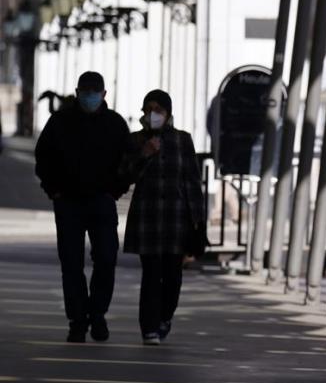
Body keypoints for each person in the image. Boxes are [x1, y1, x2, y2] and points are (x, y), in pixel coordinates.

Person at [34, 71, 131, 342]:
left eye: (94, 91)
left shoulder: (114, 124)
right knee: (71, 263)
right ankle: (78, 320)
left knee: (106, 259)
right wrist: (53, 190)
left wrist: (115, 190)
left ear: (104, 94)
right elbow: (43, 157)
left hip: (101, 200)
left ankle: (97, 314)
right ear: (77, 93)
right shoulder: (60, 122)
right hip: (69, 202)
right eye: (85, 91)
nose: (89, 96)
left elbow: (127, 162)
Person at [120, 89, 206, 345]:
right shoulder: (136, 141)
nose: (152, 114)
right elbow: (125, 175)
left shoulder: (183, 140)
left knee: (173, 277)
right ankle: (149, 327)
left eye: (158, 109)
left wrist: (197, 222)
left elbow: (192, 181)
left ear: (168, 114)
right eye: (148, 109)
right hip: (148, 219)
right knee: (150, 275)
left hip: (176, 219)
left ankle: (165, 317)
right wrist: (145, 153)